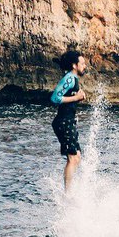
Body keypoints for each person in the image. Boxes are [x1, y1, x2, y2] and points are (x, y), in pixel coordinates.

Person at [50, 50, 88, 191]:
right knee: (72, 158)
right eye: (82, 63)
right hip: (63, 122)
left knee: (77, 157)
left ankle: (71, 190)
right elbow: (54, 98)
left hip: (69, 121)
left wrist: (77, 96)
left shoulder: (73, 79)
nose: (84, 66)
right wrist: (76, 98)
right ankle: (68, 195)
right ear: (74, 65)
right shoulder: (69, 79)